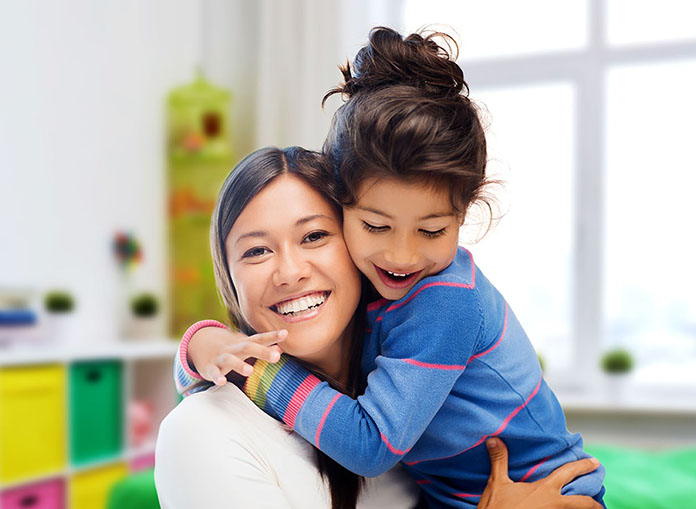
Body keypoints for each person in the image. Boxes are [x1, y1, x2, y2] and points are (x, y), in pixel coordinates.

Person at [173, 28, 606, 508]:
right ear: (344, 205)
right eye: (376, 227)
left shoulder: (443, 300)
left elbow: (371, 445)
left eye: (432, 231)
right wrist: (203, 347)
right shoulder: (377, 293)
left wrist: (256, 371)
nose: (401, 257)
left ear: (464, 216)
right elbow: (206, 381)